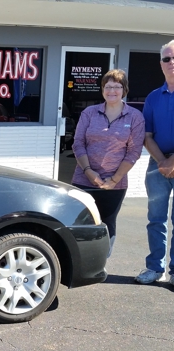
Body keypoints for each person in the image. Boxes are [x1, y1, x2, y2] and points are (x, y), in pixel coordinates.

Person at [71, 69, 145, 258]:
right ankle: (78, 262)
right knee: (80, 222)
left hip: (115, 184)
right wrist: (88, 171)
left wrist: (114, 179)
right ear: (102, 89)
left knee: (107, 223)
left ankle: (100, 262)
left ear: (124, 89)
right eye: (108, 86)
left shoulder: (135, 117)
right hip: (83, 180)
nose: (112, 90)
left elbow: (134, 151)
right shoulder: (89, 113)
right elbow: (78, 143)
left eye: (117, 87)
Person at [135, 39, 174, 284]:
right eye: (167, 59)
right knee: (156, 219)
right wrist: (162, 161)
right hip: (157, 165)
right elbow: (146, 136)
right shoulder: (152, 97)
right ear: (161, 64)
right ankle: (155, 268)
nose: (172, 63)